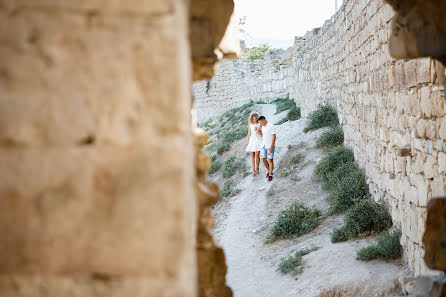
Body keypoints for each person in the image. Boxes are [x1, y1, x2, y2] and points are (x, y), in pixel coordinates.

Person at [256, 116, 276, 181]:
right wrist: (258, 131)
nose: (260, 124)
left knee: (270, 160)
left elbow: (274, 136)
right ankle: (269, 171)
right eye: (259, 123)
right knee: (263, 159)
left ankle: (270, 174)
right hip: (263, 145)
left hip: (270, 145)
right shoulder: (262, 127)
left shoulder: (271, 126)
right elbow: (263, 136)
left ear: (264, 120)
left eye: (260, 122)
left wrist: (271, 146)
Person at [245, 112, 262, 176]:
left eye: (255, 118)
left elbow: (261, 132)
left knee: (257, 156)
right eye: (253, 118)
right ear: (251, 118)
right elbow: (249, 133)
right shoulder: (250, 124)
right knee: (252, 155)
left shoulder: (259, 124)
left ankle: (257, 167)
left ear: (257, 118)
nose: (254, 119)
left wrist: (258, 130)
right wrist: (247, 141)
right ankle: (253, 170)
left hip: (258, 139)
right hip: (252, 140)